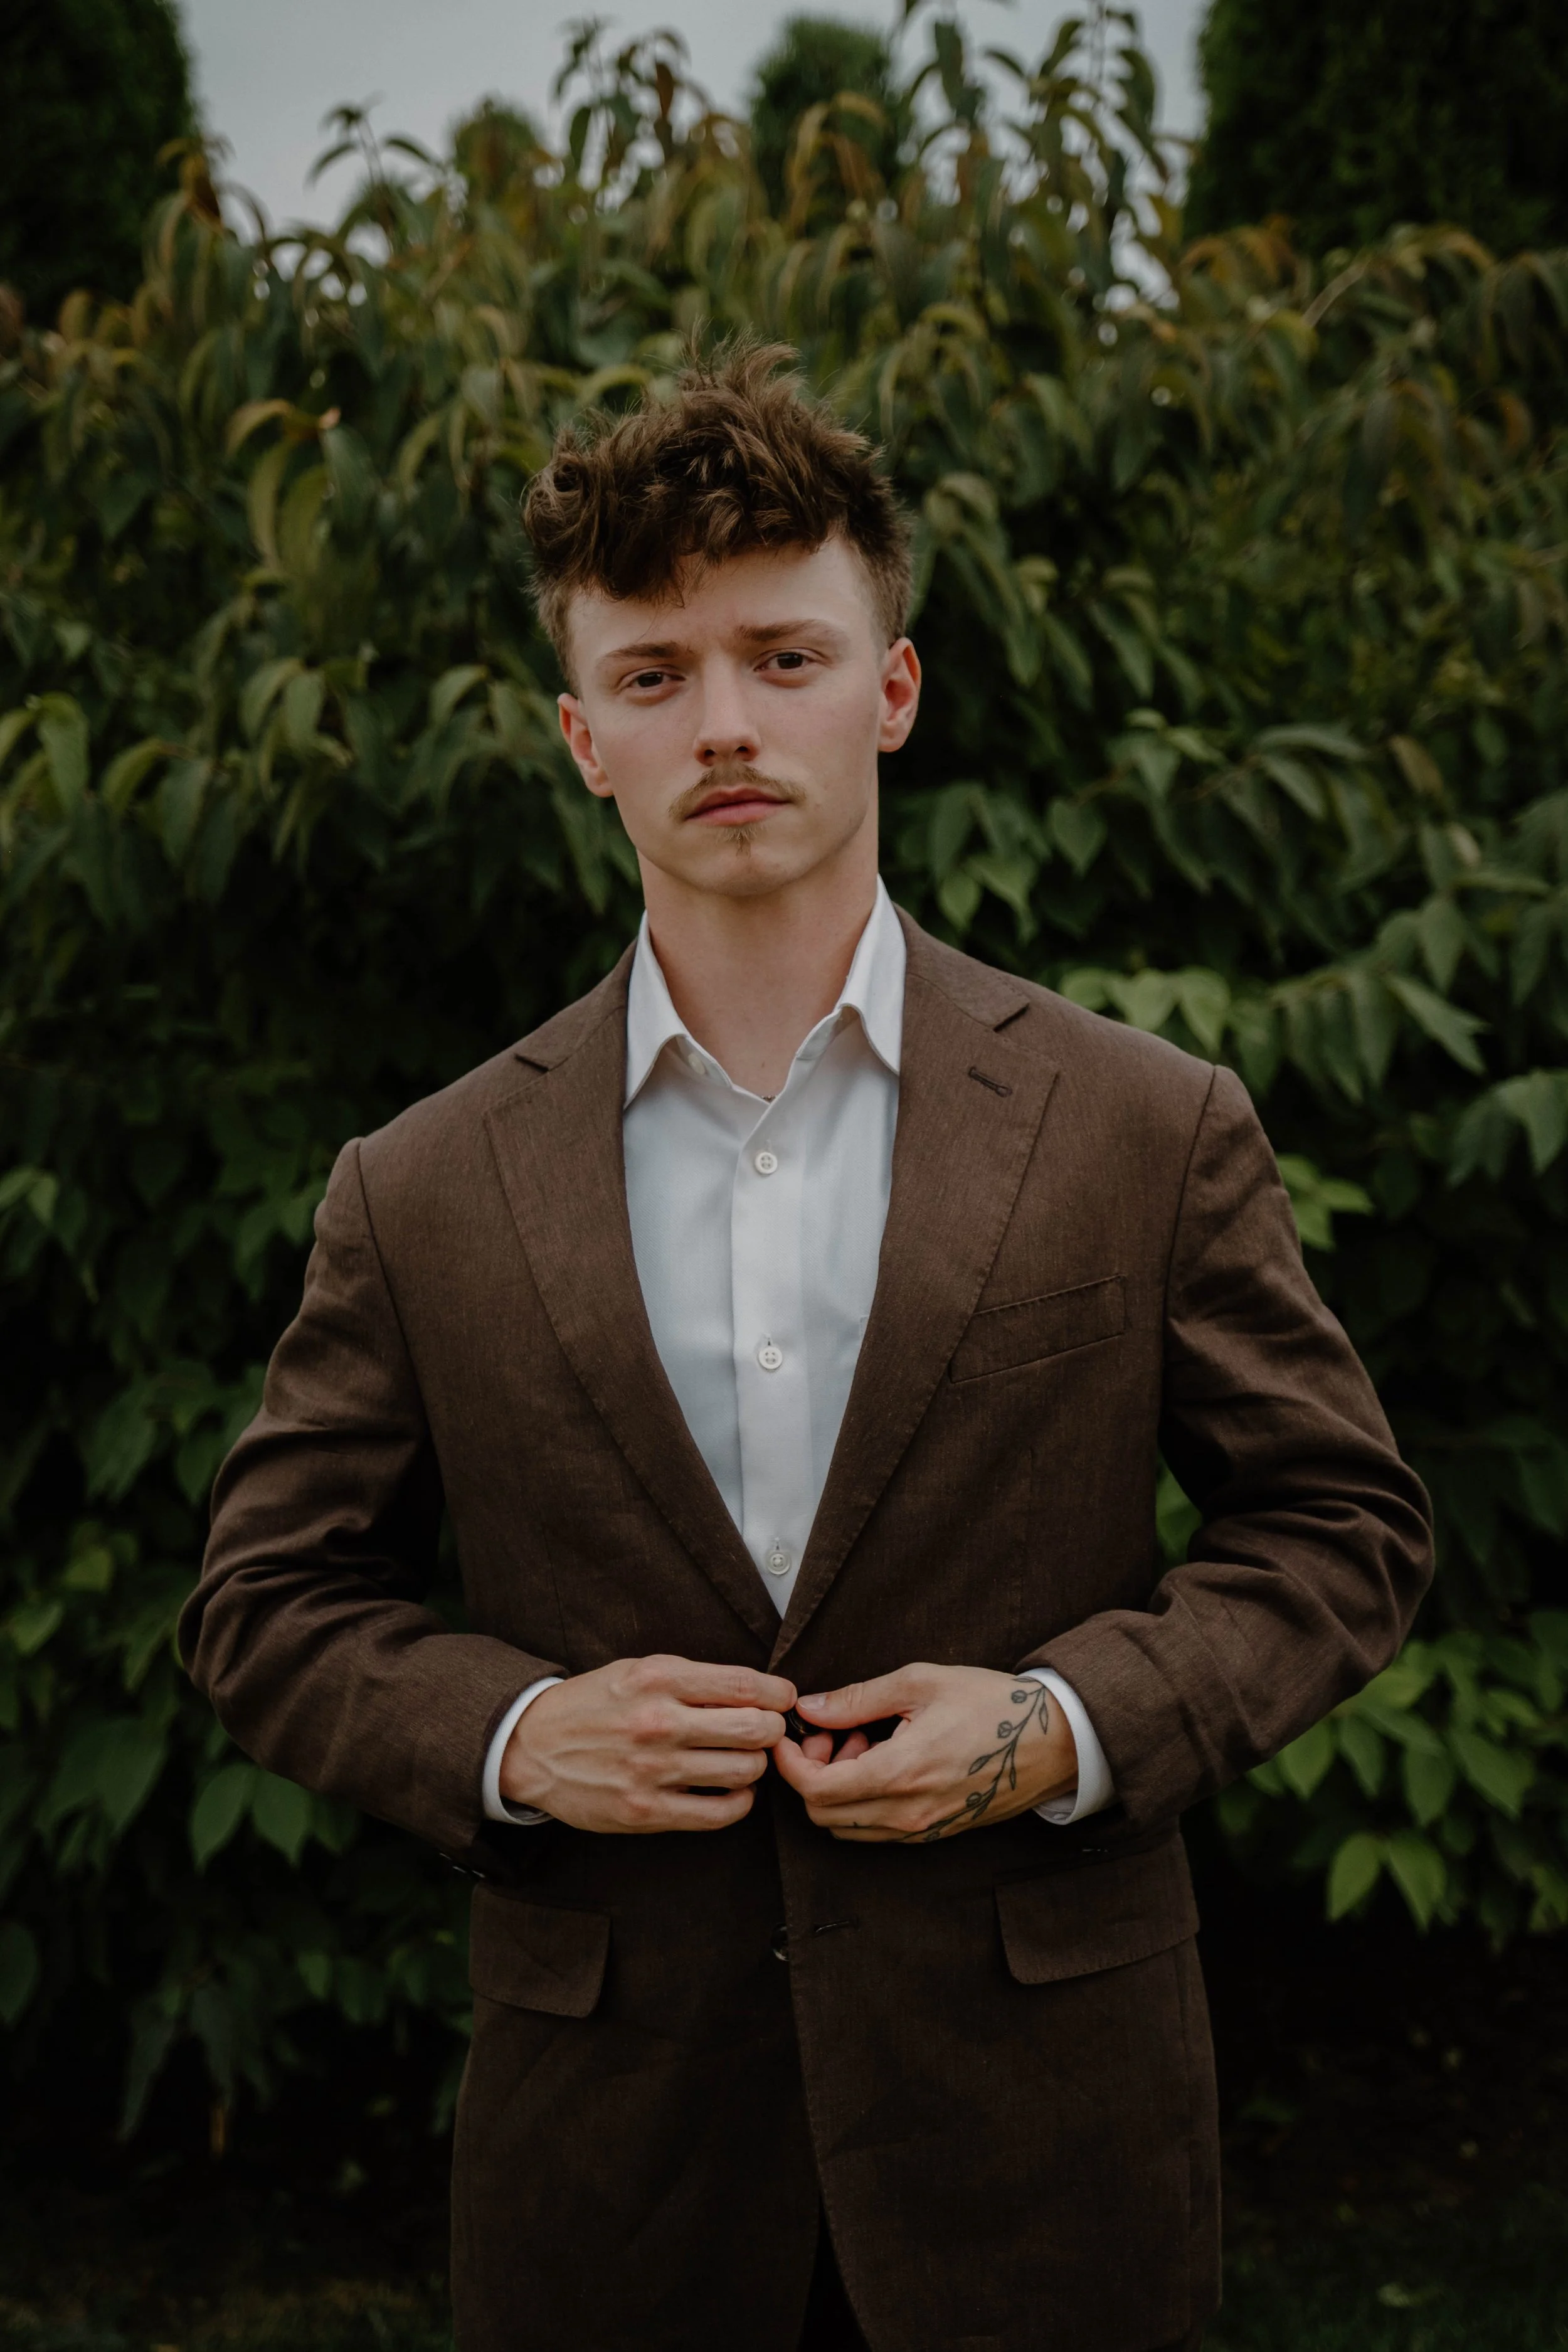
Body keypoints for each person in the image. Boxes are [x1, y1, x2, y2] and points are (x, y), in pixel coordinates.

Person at [180, 342, 1434, 2352]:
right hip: (615, 2179)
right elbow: (264, 1606)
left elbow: (1337, 1528)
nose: (726, 722)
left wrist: (1056, 1722)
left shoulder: (1140, 1121)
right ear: (582, 735)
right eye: (656, 674)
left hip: (1049, 2156)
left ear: (892, 687)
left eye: (783, 653)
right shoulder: (416, 1186)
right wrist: (514, 1734)